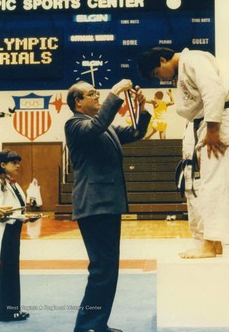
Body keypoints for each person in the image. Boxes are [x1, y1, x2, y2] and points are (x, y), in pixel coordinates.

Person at [138, 47, 229, 258]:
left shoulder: (193, 59)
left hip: (216, 124)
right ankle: (214, 243)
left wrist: (213, 129)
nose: (160, 79)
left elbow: (213, 90)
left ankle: (209, 243)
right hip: (203, 124)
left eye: (157, 73)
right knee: (202, 185)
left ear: (163, 59)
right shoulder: (185, 68)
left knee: (214, 185)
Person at [65, 79, 151, 332]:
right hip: (94, 205)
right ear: (77, 102)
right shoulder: (75, 124)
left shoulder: (105, 127)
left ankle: (97, 323)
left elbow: (136, 133)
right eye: (91, 94)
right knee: (102, 269)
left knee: (108, 269)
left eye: (97, 93)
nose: (97, 96)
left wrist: (142, 110)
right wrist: (115, 93)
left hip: (107, 204)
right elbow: (98, 124)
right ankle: (87, 326)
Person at [0, 149, 30, 322]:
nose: (18, 165)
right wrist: (18, 216)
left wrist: (24, 217)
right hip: (7, 232)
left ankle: (13, 309)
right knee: (8, 272)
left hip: (14, 230)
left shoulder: (13, 184)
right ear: (3, 165)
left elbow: (18, 207)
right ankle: (6, 312)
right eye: (14, 162)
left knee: (12, 271)